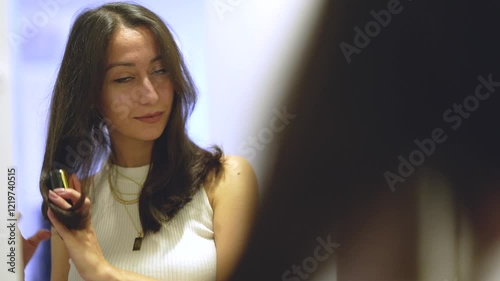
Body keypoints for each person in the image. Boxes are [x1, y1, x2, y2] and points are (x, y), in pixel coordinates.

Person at [38, 2, 258, 281]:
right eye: (125, 78)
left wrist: (102, 271)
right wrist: (12, 269)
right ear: (90, 95)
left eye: (160, 71)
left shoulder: (225, 180)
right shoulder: (77, 199)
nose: (150, 95)